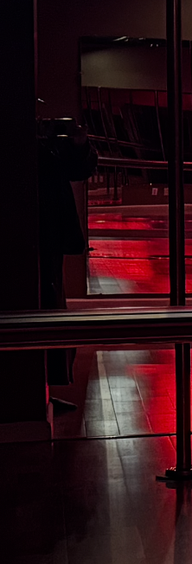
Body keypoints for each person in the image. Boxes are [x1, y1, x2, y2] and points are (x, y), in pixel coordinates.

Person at [35, 117, 97, 409]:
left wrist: (77, 144)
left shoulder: (46, 146)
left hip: (46, 232)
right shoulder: (42, 147)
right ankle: (38, 388)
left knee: (49, 302)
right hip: (43, 231)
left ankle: (41, 387)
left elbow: (78, 169)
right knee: (45, 305)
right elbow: (78, 170)